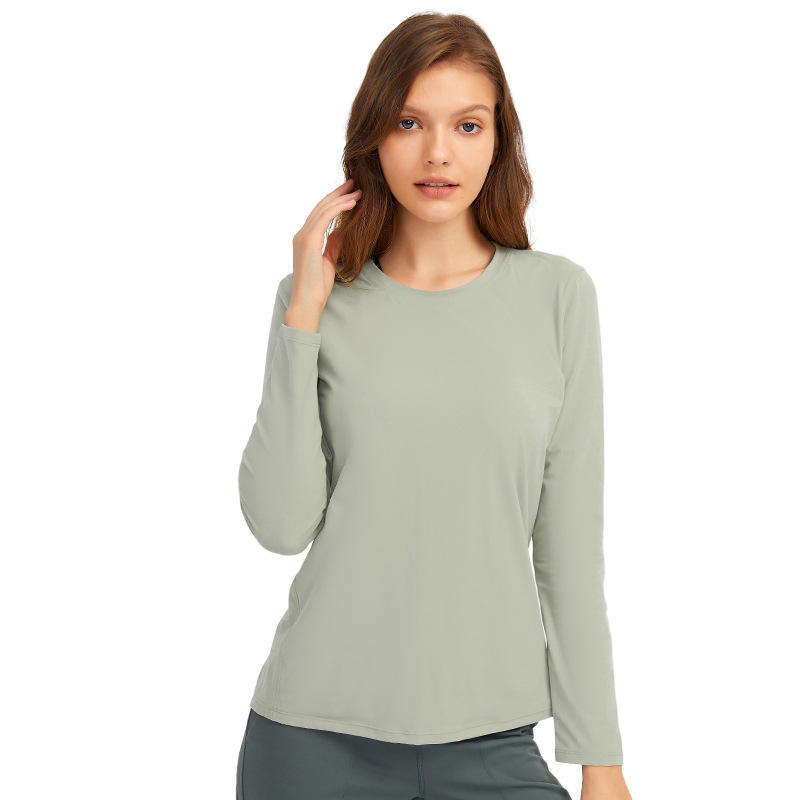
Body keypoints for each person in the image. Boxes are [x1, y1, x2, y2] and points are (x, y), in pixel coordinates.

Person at [235, 12, 632, 800]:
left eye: (467, 125)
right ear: (374, 137)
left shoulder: (557, 297)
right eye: (409, 122)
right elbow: (279, 525)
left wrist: (602, 762)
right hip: (311, 741)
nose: (438, 152)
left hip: (492, 743)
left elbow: (568, 554)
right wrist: (303, 314)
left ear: (499, 140)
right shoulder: (314, 300)